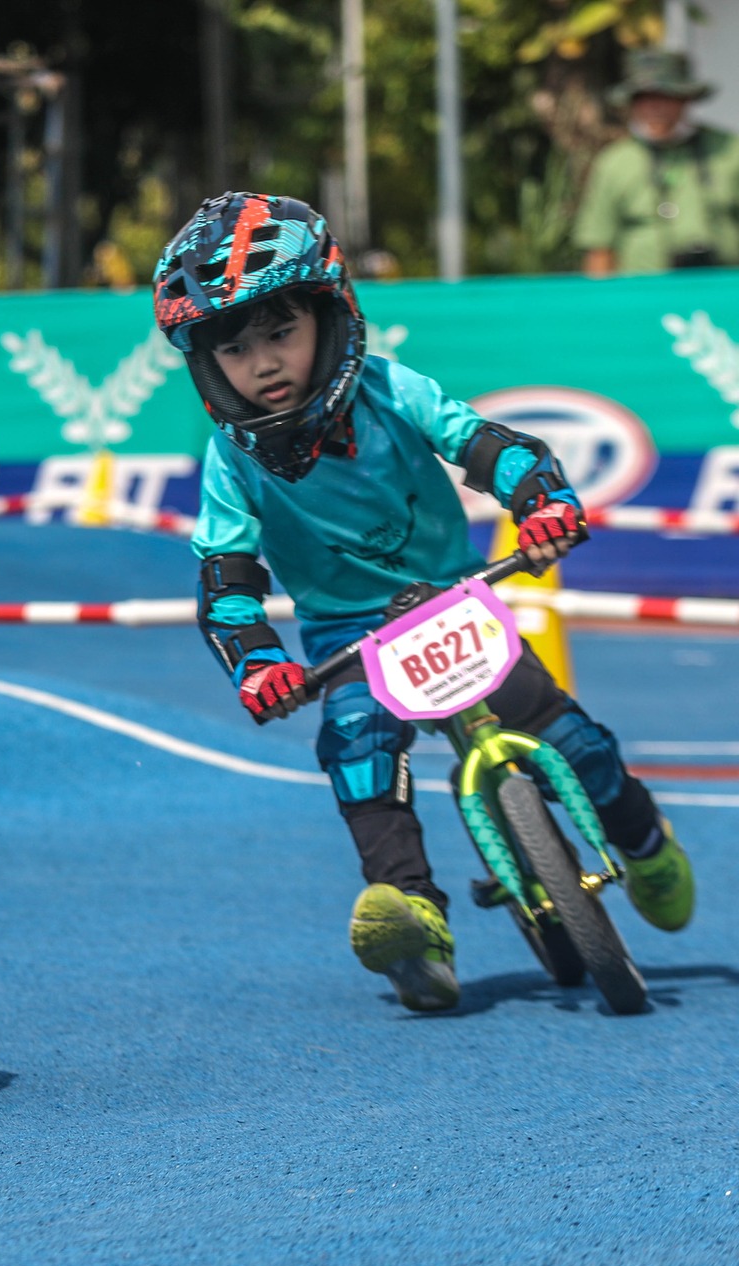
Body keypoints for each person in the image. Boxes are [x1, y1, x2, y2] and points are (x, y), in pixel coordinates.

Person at [153, 193, 695, 1012]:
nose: (262, 362)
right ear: (206, 364)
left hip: (451, 603)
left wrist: (539, 501)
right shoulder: (231, 457)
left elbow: (484, 443)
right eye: (234, 346)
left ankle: (645, 842)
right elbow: (225, 573)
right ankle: (413, 919)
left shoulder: (387, 388)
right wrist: (260, 659)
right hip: (349, 633)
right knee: (357, 744)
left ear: (331, 316)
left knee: (572, 739)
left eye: (280, 332)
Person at [575, 49, 739, 276]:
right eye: (644, 98)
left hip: (724, 291)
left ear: (686, 98)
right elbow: (599, 247)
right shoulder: (615, 162)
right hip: (644, 297)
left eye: (665, 97)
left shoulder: (729, 150)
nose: (654, 108)